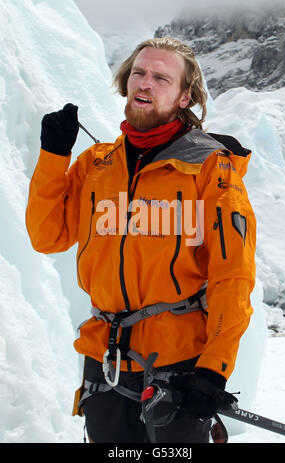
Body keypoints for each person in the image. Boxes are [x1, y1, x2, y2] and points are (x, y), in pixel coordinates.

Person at [26, 37, 256, 443]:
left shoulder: (210, 169)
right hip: (105, 358)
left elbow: (232, 275)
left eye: (161, 78)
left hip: (180, 364)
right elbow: (47, 237)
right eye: (138, 73)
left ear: (186, 96)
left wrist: (213, 369)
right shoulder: (96, 165)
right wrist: (52, 157)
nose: (144, 83)